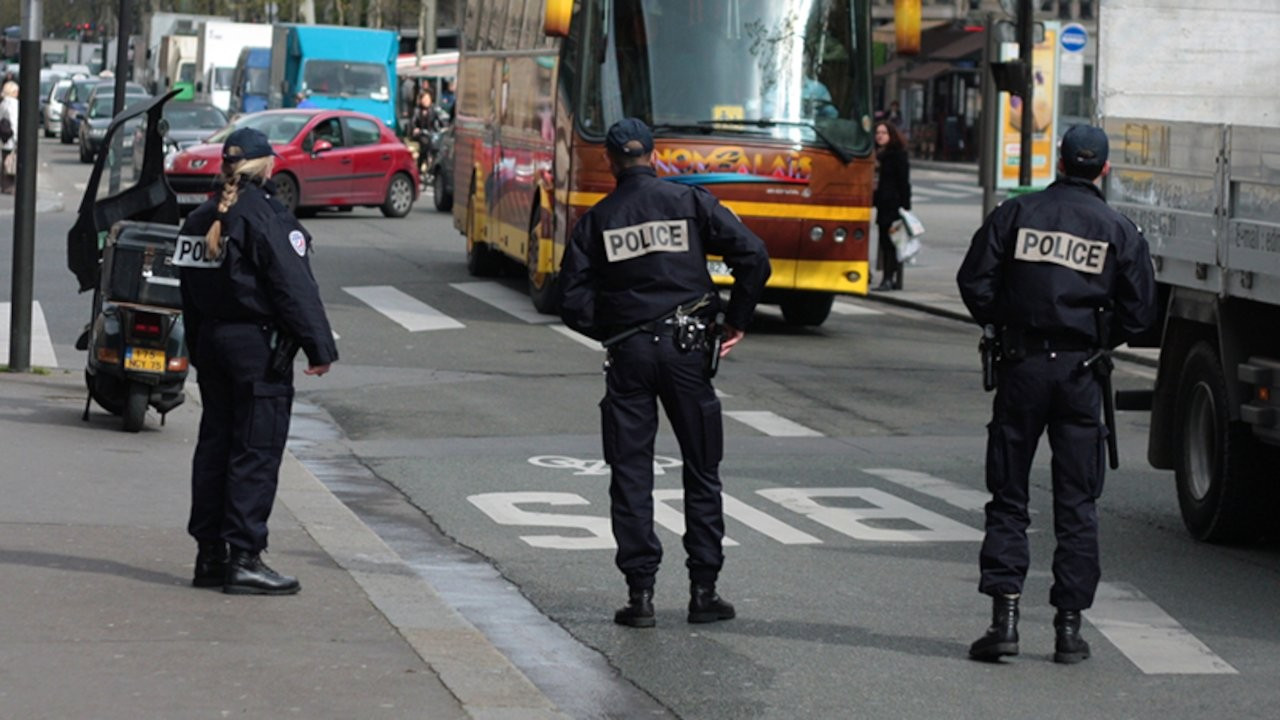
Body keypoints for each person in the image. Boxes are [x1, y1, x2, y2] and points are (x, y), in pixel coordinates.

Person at [956, 125, 1156, 664]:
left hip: (1021, 366)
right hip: (1079, 374)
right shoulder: (1120, 229)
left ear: (1061, 162)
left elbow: (974, 281)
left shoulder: (1016, 214)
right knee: (1076, 503)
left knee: (1009, 495)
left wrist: (1005, 322)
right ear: (1104, 170)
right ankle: (1069, 631)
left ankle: (1004, 621)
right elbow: (1141, 314)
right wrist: (1096, 337)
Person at [560, 118, 771, 628]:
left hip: (630, 356)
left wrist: (616, 329)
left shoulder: (599, 220)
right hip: (688, 352)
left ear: (610, 161)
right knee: (701, 469)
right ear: (653, 155)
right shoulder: (689, 203)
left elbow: (571, 301)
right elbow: (754, 256)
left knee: (631, 474)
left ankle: (640, 597)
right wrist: (732, 322)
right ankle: (704, 591)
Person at [174, 127, 339, 596]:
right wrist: (319, 349)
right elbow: (294, 288)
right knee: (255, 450)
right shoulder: (267, 217)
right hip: (256, 350)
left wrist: (200, 345)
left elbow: (187, 290)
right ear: (266, 167)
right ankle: (245, 557)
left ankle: (210, 557)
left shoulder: (199, 220)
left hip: (213, 344)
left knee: (215, 447)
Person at [873, 120, 911, 291]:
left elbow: (904, 182)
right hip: (882, 204)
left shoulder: (896, 155)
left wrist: (905, 205)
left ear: (891, 135)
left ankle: (889, 278)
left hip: (893, 204)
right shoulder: (877, 154)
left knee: (890, 242)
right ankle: (889, 277)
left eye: (883, 133)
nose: (879, 136)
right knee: (885, 241)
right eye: (878, 133)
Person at [411, 89, 447, 179]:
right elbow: (413, 122)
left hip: (431, 133)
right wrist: (415, 129)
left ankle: (433, 165)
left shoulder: (433, 109)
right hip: (421, 134)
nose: (426, 101)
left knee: (436, 144)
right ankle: (420, 165)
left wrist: (444, 126)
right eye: (424, 99)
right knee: (425, 143)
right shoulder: (417, 110)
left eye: (428, 99)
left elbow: (440, 119)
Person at [0, 81, 18, 194]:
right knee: (12, 162)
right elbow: (14, 121)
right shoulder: (13, 103)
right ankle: (10, 187)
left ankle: (5, 185)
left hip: (4, 138)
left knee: (5, 161)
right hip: (11, 139)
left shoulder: (2, 103)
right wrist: (17, 139)